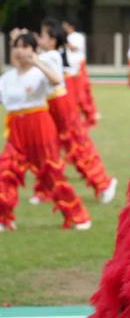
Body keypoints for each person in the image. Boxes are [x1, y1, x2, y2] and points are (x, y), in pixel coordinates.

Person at [0, 32, 92, 231]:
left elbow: (57, 80)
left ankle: (78, 216)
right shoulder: (7, 78)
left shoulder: (39, 72)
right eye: (16, 46)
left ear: (33, 50)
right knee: (5, 171)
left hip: (40, 127)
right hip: (16, 129)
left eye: (25, 46)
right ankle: (3, 218)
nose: (19, 50)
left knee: (52, 175)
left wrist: (37, 63)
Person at [36, 18, 117, 204]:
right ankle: (46, 189)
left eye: (42, 36)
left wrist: (24, 43)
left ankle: (104, 183)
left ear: (53, 40)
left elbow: (33, 59)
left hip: (61, 108)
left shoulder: (52, 56)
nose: (40, 39)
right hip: (52, 106)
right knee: (49, 148)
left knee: (76, 149)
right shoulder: (50, 54)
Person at [62, 19, 99, 127]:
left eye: (66, 27)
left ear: (71, 26)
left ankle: (90, 112)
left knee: (83, 91)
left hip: (78, 68)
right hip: (69, 69)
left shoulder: (78, 36)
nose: (64, 29)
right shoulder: (67, 38)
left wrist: (64, 42)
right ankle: (75, 113)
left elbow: (75, 47)